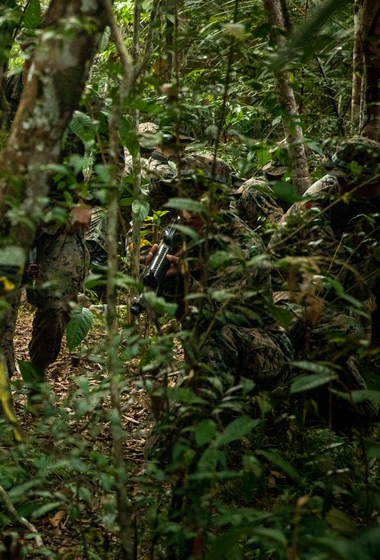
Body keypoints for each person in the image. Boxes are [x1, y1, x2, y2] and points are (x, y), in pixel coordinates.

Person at [145, 156, 291, 388]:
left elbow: (217, 314)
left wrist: (185, 281)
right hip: (219, 350)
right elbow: (176, 310)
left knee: (213, 335)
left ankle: (204, 410)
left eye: (197, 199)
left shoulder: (242, 247)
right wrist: (163, 278)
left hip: (263, 350)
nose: (187, 210)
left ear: (220, 202)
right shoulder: (184, 235)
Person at [268, 136, 380, 425]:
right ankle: (276, 398)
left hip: (332, 305)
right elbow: (333, 281)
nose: (341, 185)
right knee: (348, 330)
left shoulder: (370, 201)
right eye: (339, 178)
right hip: (288, 298)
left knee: (364, 414)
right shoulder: (318, 207)